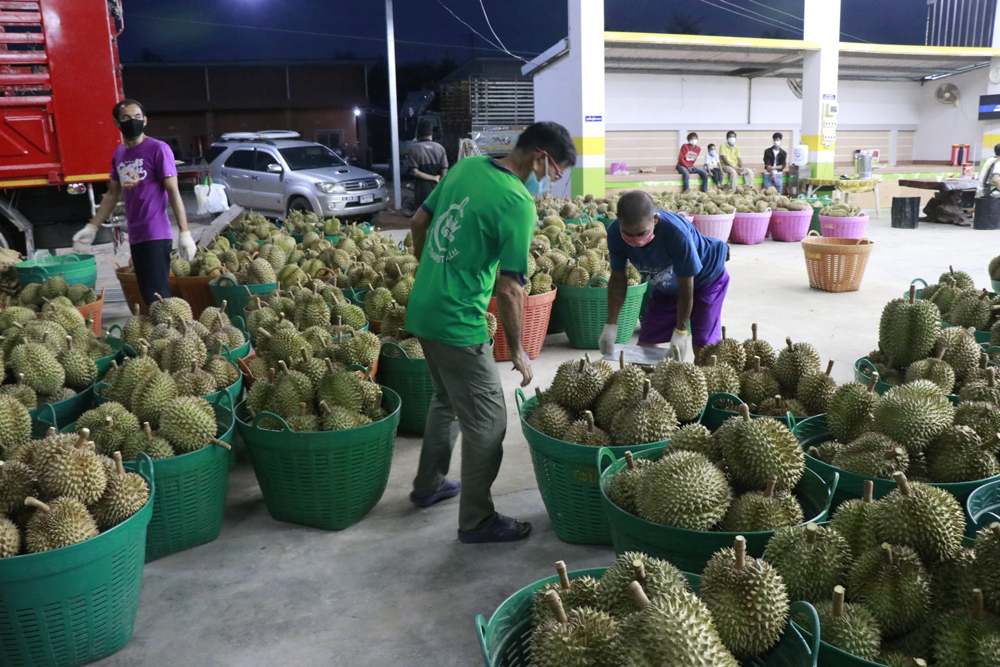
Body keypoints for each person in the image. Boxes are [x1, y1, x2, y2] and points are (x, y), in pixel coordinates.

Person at [405, 121, 577, 543]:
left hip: (424, 308)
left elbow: (417, 223)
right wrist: (518, 349)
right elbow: (511, 288)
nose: (550, 184)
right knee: (490, 422)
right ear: (540, 157)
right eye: (554, 173)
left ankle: (428, 486)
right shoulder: (518, 202)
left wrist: (434, 270)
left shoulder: (466, 168)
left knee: (447, 400)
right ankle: (477, 520)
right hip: (458, 321)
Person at [73, 99, 195, 305]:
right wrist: (92, 227)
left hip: (156, 233)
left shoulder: (158, 149)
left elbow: (173, 191)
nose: (133, 121)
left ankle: (170, 333)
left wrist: (185, 232)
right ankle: (162, 332)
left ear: (145, 121)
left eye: (138, 117)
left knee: (158, 296)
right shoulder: (120, 154)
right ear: (117, 124)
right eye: (126, 118)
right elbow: (112, 194)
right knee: (148, 295)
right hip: (136, 235)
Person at [599, 191, 729, 361]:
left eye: (642, 233)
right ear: (618, 220)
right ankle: (648, 386)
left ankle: (706, 383)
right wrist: (611, 324)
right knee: (645, 345)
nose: (636, 240)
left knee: (703, 345)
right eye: (629, 234)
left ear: (655, 219)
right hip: (666, 281)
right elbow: (617, 278)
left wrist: (681, 331)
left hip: (707, 277)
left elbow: (686, 285)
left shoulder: (676, 233)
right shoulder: (615, 233)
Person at [406, 120, 449, 209]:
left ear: (418, 134)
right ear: (431, 133)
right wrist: (439, 182)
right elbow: (444, 170)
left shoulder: (413, 149)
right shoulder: (440, 148)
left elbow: (415, 172)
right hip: (437, 188)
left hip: (421, 189)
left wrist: (433, 178)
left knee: (423, 215)